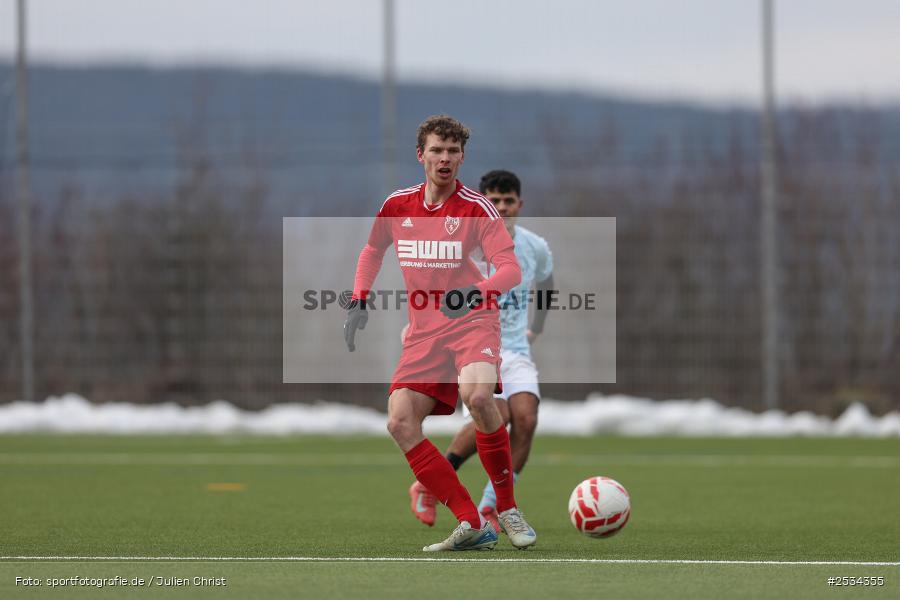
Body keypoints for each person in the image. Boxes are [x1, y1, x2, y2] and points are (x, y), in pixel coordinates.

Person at [344, 115, 537, 551]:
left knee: (480, 397)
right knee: (399, 420)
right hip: (424, 332)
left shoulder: (475, 207)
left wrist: (475, 293)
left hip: (472, 321)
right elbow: (373, 249)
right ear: (421, 155)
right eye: (437, 150)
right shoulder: (398, 205)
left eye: (453, 151)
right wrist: (359, 299)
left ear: (462, 158)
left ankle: (505, 507)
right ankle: (470, 521)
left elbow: (509, 269)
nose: (445, 158)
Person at [406, 170, 554, 534]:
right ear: (485, 203)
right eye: (495, 201)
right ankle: (432, 481)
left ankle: (491, 505)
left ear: (519, 205)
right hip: (472, 342)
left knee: (527, 418)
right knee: (495, 411)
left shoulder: (535, 246)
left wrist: (538, 326)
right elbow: (429, 281)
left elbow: (547, 282)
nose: (502, 208)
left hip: (515, 348)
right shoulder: (464, 242)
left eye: (508, 201)